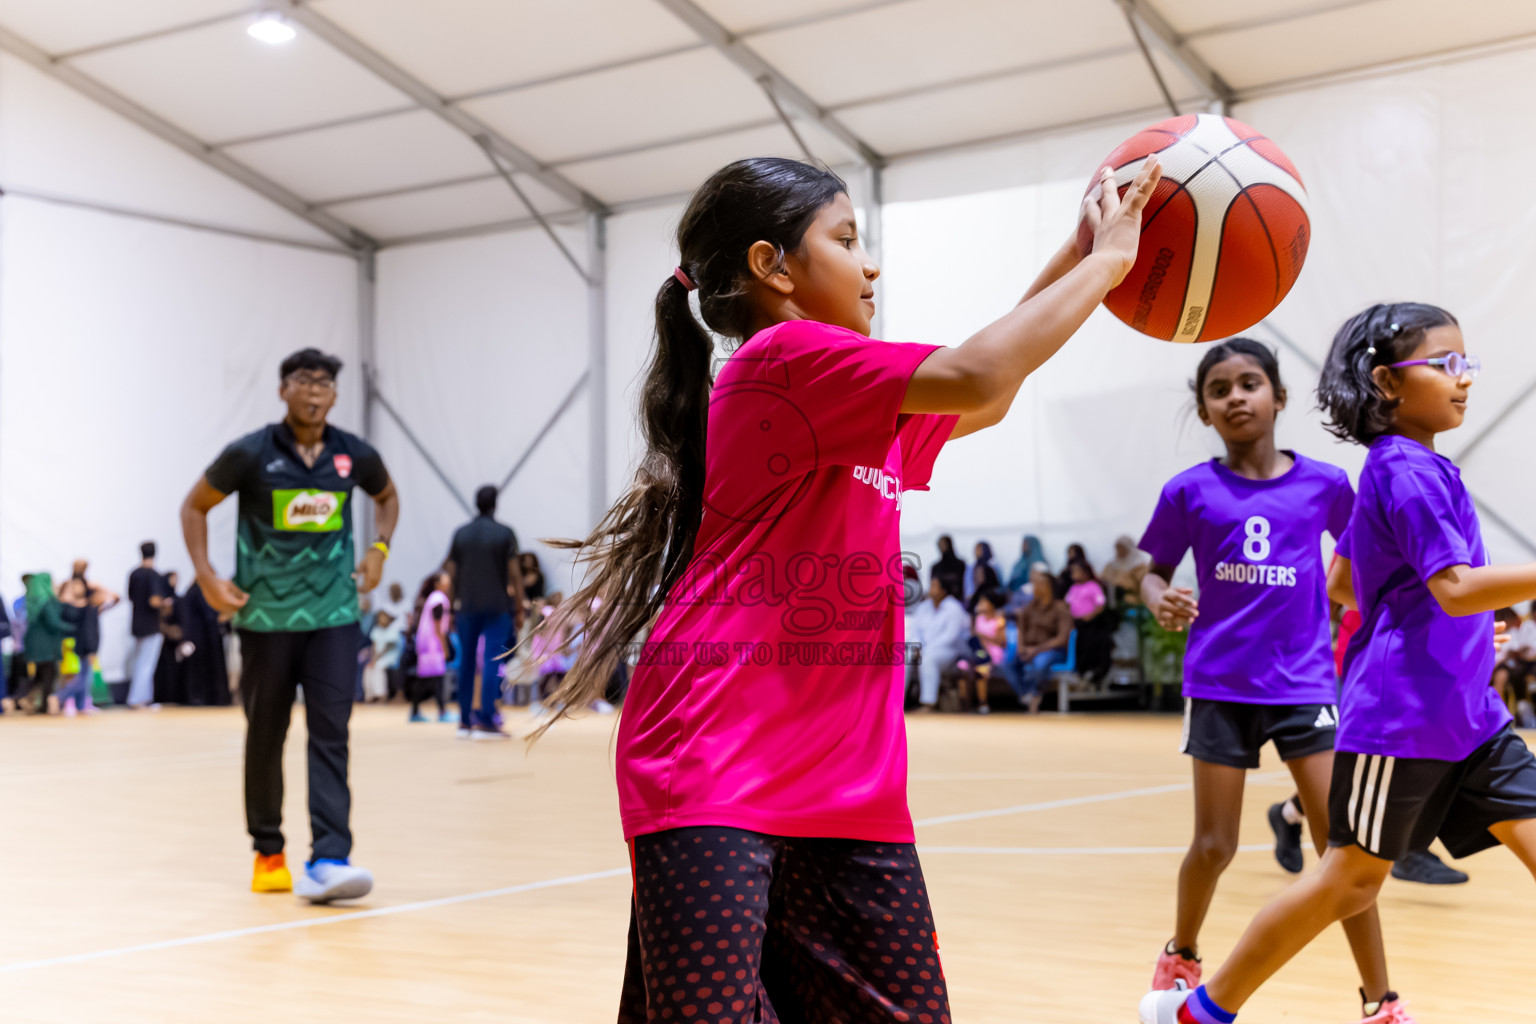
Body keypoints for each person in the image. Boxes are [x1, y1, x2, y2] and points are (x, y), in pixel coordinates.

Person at [509, 153, 1160, 1020]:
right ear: (770, 266)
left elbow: (984, 391)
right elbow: (978, 374)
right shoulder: (785, 359)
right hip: (715, 767)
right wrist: (1110, 263)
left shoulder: (850, 398)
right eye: (847, 240)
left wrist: (1081, 251)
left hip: (849, 789)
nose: (871, 265)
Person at [1140, 303, 1536, 1024]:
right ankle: (1203, 1006)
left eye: (1466, 363)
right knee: (1346, 882)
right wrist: (1458, 618)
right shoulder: (1404, 472)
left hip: (1471, 714)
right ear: (1387, 382)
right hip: (1406, 721)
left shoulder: (1402, 470)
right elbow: (1449, 588)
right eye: (1446, 364)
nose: (1464, 378)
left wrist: (1472, 632)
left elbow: (1344, 583)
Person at [1134, 337, 1396, 1022]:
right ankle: (1181, 954)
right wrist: (1156, 592)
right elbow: (1148, 569)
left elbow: (1369, 563)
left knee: (1343, 854)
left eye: (1250, 383)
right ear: (1205, 409)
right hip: (1218, 686)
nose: (1235, 397)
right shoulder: (1189, 490)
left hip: (1305, 685)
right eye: (1219, 390)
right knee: (1214, 845)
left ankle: (1381, 1001)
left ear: (1279, 397)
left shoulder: (1325, 485)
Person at [180, 347, 399, 905]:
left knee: (331, 733)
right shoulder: (250, 453)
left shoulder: (353, 453)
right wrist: (206, 577)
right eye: (303, 381)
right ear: (283, 390)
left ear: (334, 394)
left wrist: (378, 547)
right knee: (266, 735)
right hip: (265, 619)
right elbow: (194, 506)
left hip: (333, 617)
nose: (314, 391)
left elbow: (387, 495)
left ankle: (330, 857)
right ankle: (268, 851)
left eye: (324, 382)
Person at [444, 484, 523, 740]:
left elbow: (451, 572)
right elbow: (515, 574)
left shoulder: (461, 534)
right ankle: (487, 720)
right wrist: (519, 608)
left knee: (466, 662)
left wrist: (454, 605)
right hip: (497, 607)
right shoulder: (505, 533)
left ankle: (465, 722)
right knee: (492, 660)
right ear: (494, 504)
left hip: (466, 606)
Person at [1015, 563, 1073, 714]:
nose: (1034, 586)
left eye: (1038, 583)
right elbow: (1021, 629)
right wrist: (1021, 647)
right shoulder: (1029, 608)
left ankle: (1034, 694)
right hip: (1030, 649)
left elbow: (1062, 638)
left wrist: (1036, 650)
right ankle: (1024, 694)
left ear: (1048, 586)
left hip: (1053, 650)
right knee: (1007, 662)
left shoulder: (1060, 608)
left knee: (1041, 662)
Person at [910, 576, 973, 711]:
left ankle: (928, 703)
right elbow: (916, 631)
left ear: (944, 590)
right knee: (904, 658)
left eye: (934, 586)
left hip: (950, 651)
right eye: (931, 585)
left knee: (929, 659)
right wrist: (917, 646)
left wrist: (925, 650)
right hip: (924, 649)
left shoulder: (954, 608)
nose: (931, 589)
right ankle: (899, 702)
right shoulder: (923, 607)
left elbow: (950, 636)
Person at [19, 573, 74, 715]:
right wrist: (73, 628)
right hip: (47, 645)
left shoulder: (31, 600)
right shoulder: (47, 601)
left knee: (39, 675)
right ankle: (45, 706)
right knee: (49, 675)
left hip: (34, 644)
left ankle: (26, 700)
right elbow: (54, 623)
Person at [125, 542, 171, 709]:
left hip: (137, 624)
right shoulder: (153, 575)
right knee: (147, 664)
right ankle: (138, 699)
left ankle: (142, 698)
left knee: (140, 662)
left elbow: (130, 597)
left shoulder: (134, 574)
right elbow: (153, 600)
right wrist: (165, 603)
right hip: (151, 625)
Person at [408, 573, 451, 723]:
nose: (448, 581)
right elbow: (438, 625)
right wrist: (445, 646)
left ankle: (415, 711)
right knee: (436, 678)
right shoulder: (439, 599)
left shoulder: (433, 598)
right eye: (445, 579)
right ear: (438, 583)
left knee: (426, 678)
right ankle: (442, 712)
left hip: (426, 643)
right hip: (432, 644)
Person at [958, 588, 1009, 714]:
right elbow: (974, 637)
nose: (981, 604)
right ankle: (965, 703)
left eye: (984, 601)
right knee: (962, 666)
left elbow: (1002, 641)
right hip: (979, 651)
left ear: (991, 603)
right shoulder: (978, 619)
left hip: (993, 652)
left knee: (981, 667)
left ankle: (983, 702)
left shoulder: (999, 619)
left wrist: (984, 638)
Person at [363, 609, 402, 703]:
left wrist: (376, 660)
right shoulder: (376, 630)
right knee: (368, 669)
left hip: (390, 656)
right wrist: (372, 659)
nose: (382, 620)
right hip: (377, 657)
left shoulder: (393, 629)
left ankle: (382, 695)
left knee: (378, 666)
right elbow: (374, 647)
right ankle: (370, 696)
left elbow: (387, 648)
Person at [1103, 534, 1150, 605]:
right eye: (1118, 548)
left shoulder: (1139, 566)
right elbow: (1102, 580)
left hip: (1131, 603)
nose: (1119, 551)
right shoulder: (1110, 566)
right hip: (1110, 601)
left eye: (1122, 548)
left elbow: (1145, 587)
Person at [1006, 534, 1048, 601]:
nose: (1023, 546)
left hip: (1031, 595)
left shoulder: (1039, 562)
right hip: (1015, 594)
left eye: (1026, 544)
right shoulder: (1021, 561)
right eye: (1023, 544)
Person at [931, 534, 966, 600]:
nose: (941, 547)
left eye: (943, 544)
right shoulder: (936, 567)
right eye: (939, 545)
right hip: (941, 602)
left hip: (958, 601)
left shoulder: (960, 564)